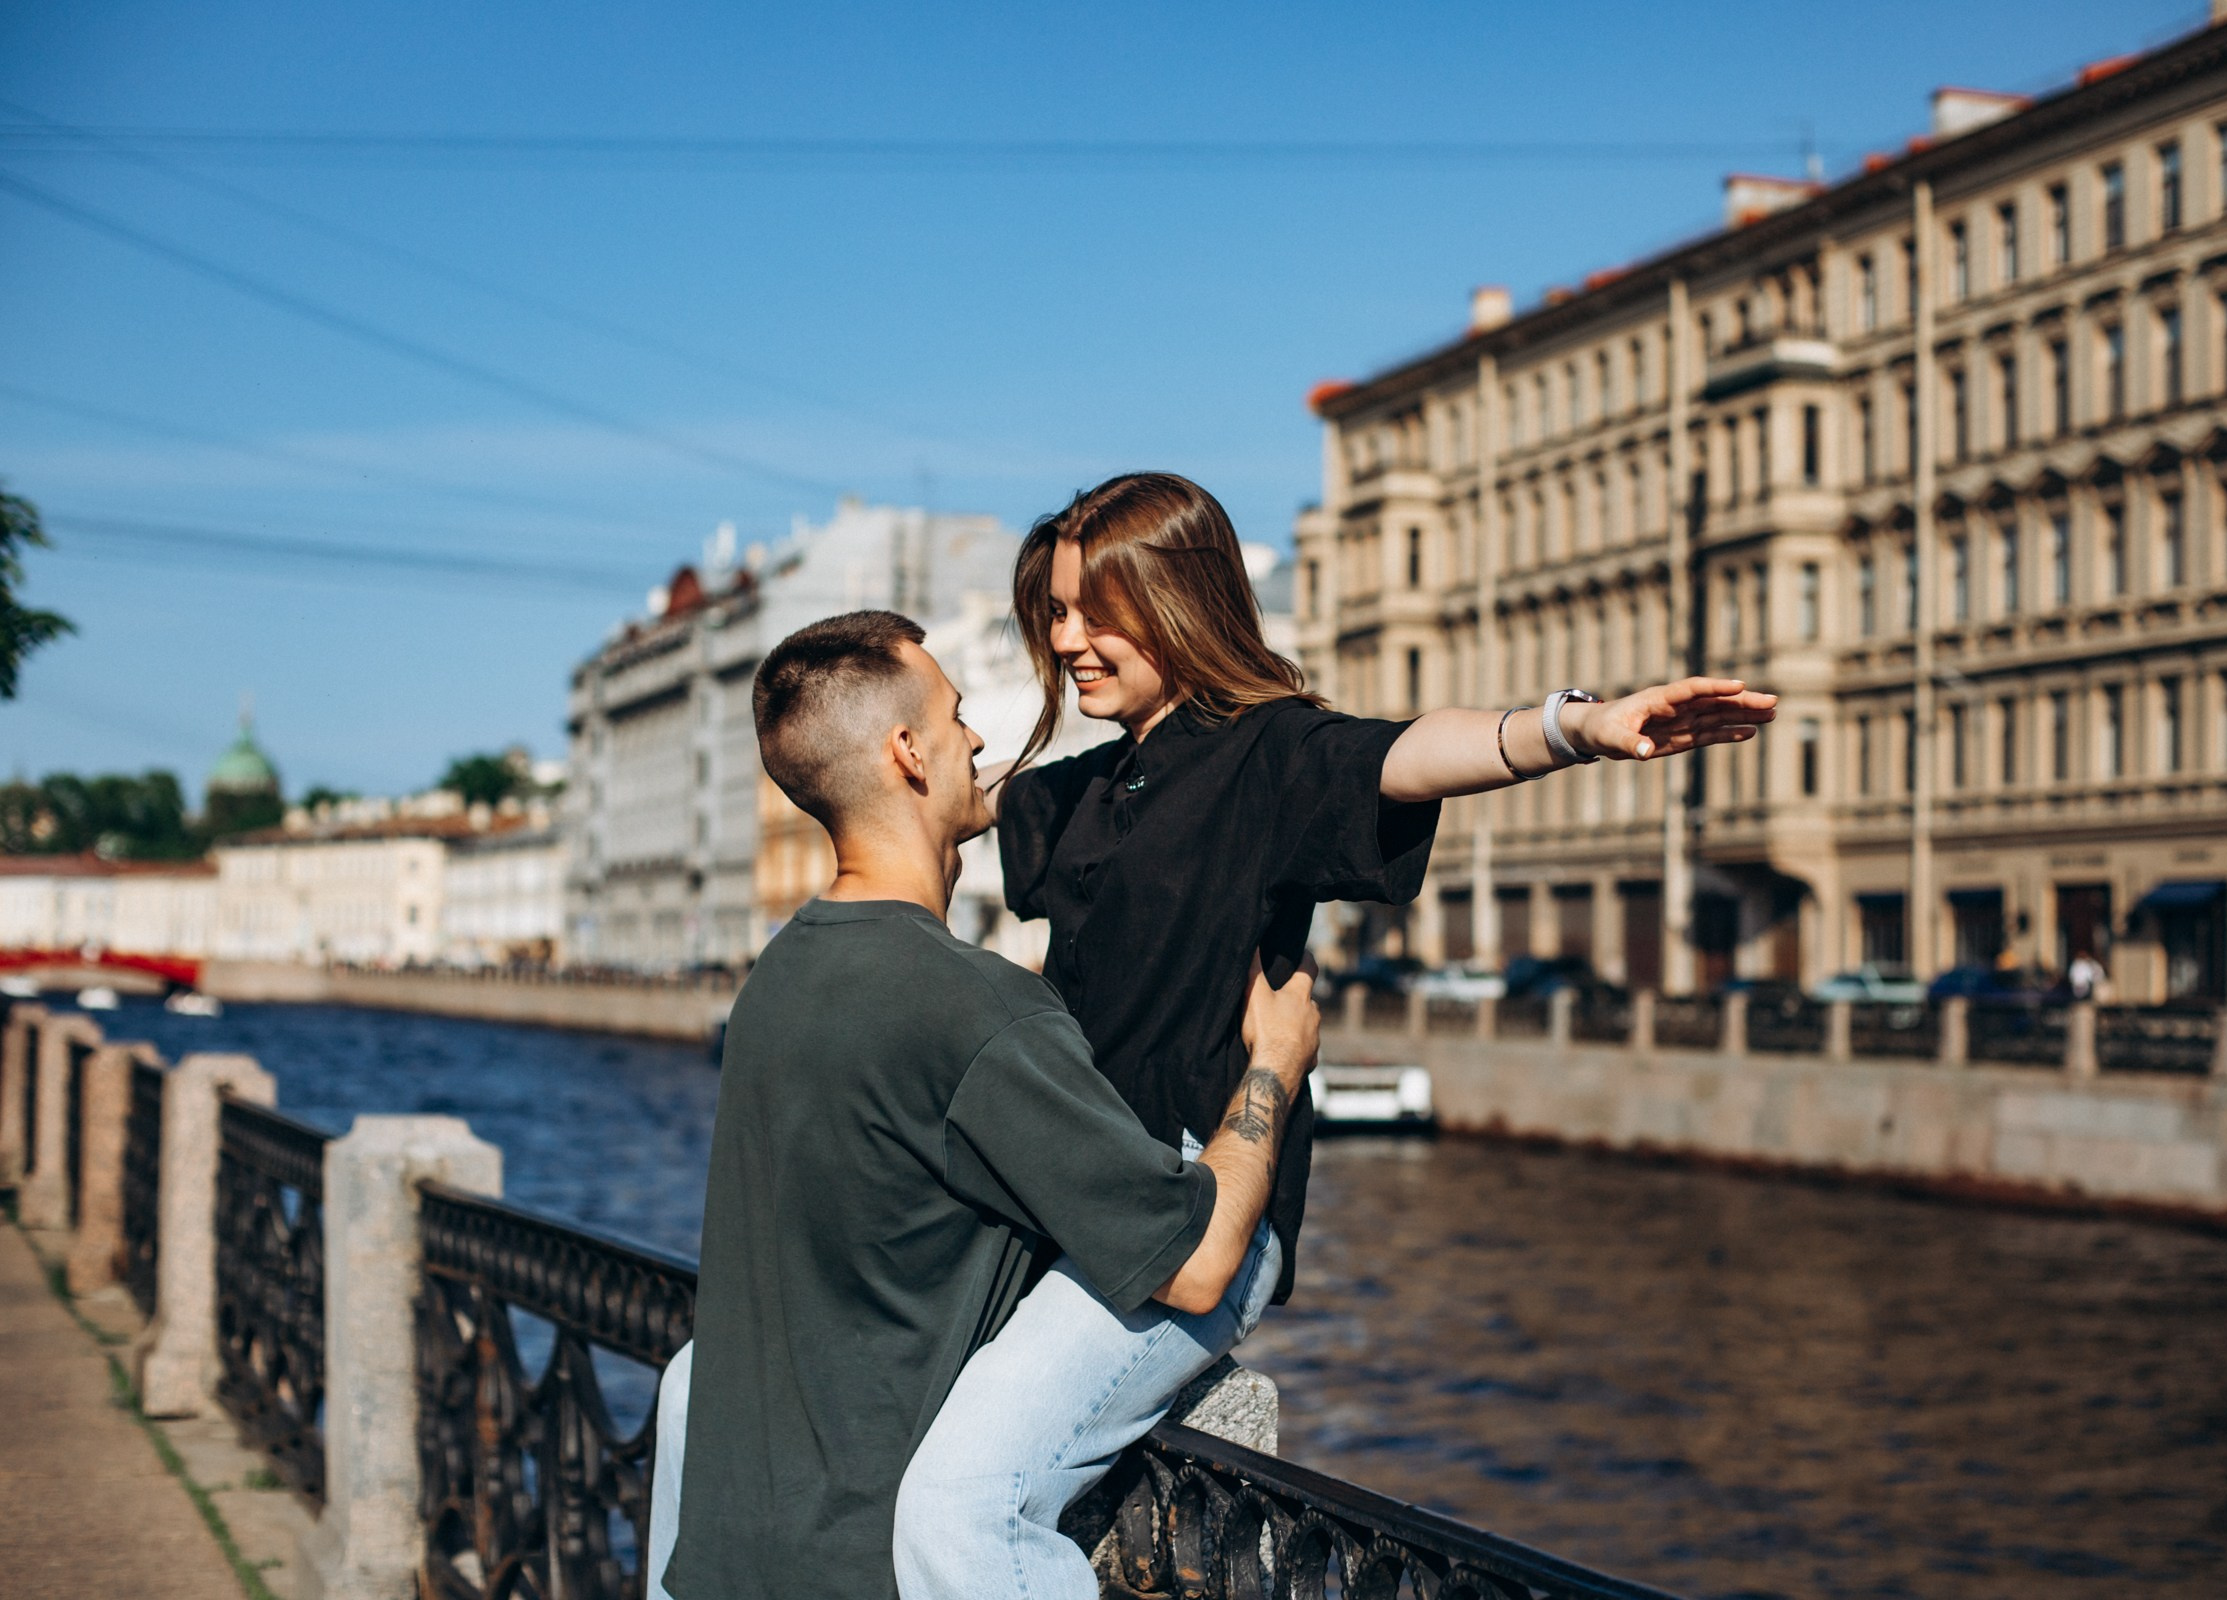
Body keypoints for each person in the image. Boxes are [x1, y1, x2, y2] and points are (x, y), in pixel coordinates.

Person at [884, 472, 1776, 1598]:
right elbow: (918, 801)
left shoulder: (1272, 755)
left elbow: (1410, 751)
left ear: (1179, 600)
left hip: (1197, 1207)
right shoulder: (1086, 789)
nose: (1068, 640)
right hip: (1068, 1199)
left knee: (961, 1504)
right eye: (1054, 613)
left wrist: (1579, 726)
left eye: (1095, 610)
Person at [660, 610, 1321, 1600]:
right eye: (957, 715)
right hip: (867, 1570)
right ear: (907, 752)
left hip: (728, 1562)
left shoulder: (779, 978)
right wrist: (1274, 1062)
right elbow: (1194, 1265)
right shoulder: (970, 1006)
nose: (976, 740)